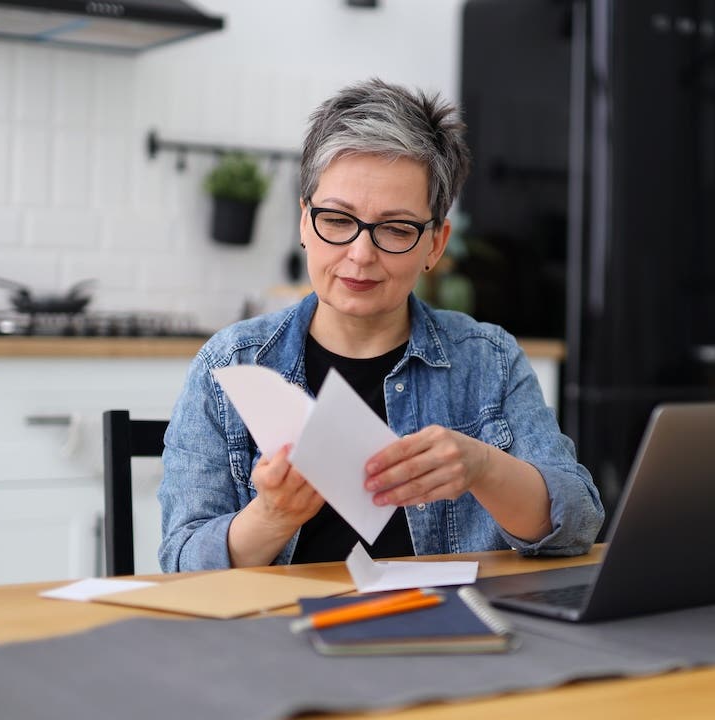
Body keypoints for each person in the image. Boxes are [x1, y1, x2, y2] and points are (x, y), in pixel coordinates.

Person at [158, 78, 604, 570]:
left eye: (395, 228)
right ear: (305, 221)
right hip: (278, 636)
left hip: (450, 633)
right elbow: (181, 565)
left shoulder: (488, 360)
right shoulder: (231, 364)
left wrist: (483, 466)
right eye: (337, 220)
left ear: (435, 244)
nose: (361, 254)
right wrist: (272, 515)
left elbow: (579, 524)